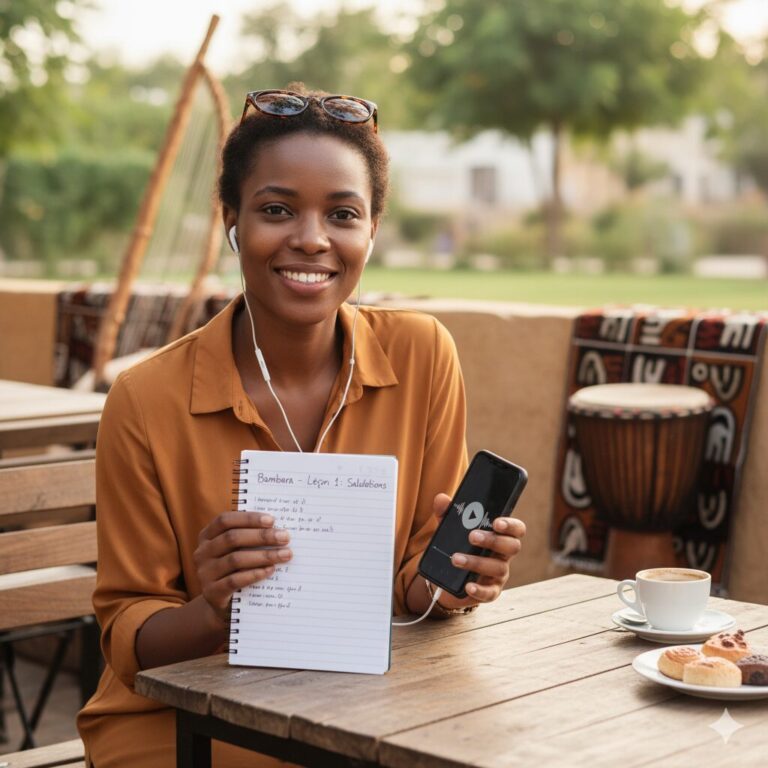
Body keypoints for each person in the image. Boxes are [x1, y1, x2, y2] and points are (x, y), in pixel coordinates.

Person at [77, 86, 526, 767]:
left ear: (372, 229)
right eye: (276, 209)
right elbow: (128, 639)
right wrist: (214, 608)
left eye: (342, 213)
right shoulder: (146, 398)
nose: (312, 238)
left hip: (359, 702)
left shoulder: (423, 355)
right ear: (232, 220)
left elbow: (414, 587)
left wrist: (456, 578)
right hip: (178, 721)